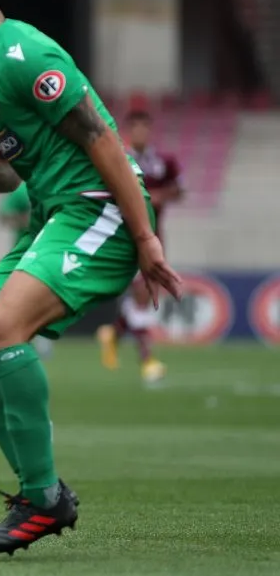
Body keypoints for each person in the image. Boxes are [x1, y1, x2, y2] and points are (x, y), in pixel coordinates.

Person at [0, 0, 182, 557]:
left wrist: (145, 237)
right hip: (52, 216)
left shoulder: (24, 53)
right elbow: (22, 167)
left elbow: (101, 137)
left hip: (98, 211)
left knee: (1, 325)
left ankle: (42, 498)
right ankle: (40, 490)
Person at [96, 110, 183, 384]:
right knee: (144, 294)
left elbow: (179, 190)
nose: (141, 132)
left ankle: (114, 333)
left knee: (144, 294)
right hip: (126, 235)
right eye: (136, 128)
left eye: (145, 127)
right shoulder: (119, 157)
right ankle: (147, 360)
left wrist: (160, 196)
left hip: (155, 235)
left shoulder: (164, 162)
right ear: (128, 131)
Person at [0, 182, 53, 360]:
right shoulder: (22, 191)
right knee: (17, 300)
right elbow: (3, 216)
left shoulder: (53, 184)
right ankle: (20, 340)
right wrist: (26, 219)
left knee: (40, 299)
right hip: (23, 254)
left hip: (48, 252)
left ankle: (40, 340)